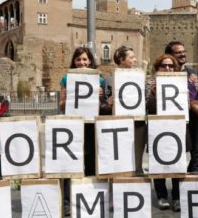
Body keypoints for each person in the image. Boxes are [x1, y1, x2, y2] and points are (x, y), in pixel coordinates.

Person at [59, 46, 107, 176]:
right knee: (73, 156)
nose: (82, 62)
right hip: (73, 123)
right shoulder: (66, 79)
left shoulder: (99, 80)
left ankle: (89, 185)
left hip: (91, 124)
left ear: (90, 61)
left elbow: (102, 107)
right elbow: (61, 107)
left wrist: (100, 98)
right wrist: (66, 98)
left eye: (85, 59)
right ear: (74, 62)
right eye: (78, 59)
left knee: (91, 155)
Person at [146, 54, 182, 210]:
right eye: (163, 66)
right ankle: (161, 196)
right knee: (158, 163)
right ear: (157, 69)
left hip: (176, 127)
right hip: (157, 128)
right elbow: (148, 108)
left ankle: (177, 197)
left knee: (177, 162)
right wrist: (154, 93)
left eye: (170, 66)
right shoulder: (150, 85)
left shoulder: (182, 84)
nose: (167, 68)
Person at [111, 45, 146, 175]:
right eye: (131, 57)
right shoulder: (109, 80)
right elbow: (102, 106)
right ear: (121, 59)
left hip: (138, 124)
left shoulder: (141, 78)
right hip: (119, 124)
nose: (135, 60)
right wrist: (109, 104)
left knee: (137, 161)